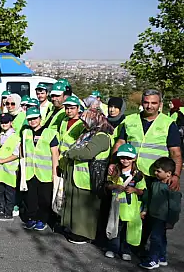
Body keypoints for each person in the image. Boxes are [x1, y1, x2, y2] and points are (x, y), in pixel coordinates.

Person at [61, 108, 113, 244]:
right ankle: (74, 229)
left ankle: (83, 234)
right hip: (78, 175)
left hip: (89, 178)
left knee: (85, 208)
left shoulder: (102, 136)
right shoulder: (89, 133)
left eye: (86, 121)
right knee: (76, 205)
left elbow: (87, 153)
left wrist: (70, 153)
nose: (84, 124)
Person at [114, 89, 182, 191]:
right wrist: (113, 163)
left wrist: (176, 175)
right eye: (146, 102)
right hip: (132, 173)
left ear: (160, 104)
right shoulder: (129, 120)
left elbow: (175, 153)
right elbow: (120, 144)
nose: (149, 106)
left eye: (154, 103)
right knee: (131, 206)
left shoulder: (168, 123)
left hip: (157, 176)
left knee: (155, 206)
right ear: (142, 103)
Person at [139, 157, 181, 270]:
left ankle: (153, 259)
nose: (155, 173)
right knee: (160, 237)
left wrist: (171, 221)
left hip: (162, 218)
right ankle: (161, 257)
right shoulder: (155, 183)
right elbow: (149, 198)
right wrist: (145, 210)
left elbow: (175, 207)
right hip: (154, 215)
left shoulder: (171, 188)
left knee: (156, 238)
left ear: (168, 174)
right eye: (155, 170)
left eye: (158, 171)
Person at [104, 143, 145, 261]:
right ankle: (113, 248)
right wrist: (115, 186)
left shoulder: (137, 175)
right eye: (122, 157)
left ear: (134, 158)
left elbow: (142, 191)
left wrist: (134, 190)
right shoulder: (115, 171)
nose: (125, 160)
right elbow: (108, 185)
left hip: (131, 209)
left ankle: (125, 250)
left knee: (128, 231)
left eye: (128, 158)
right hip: (117, 207)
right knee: (114, 228)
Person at [21, 107, 59, 231]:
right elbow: (23, 151)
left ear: (40, 118)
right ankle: (31, 218)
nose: (33, 121)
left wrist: (55, 173)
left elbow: (55, 154)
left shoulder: (50, 133)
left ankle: (42, 220)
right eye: (30, 119)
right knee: (31, 197)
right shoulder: (26, 132)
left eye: (35, 118)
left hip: (45, 173)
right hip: (30, 172)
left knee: (44, 198)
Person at [0, 114, 21, 222]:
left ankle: (8, 213)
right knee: (0, 192)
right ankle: (0, 211)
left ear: (11, 123)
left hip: (10, 171)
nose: (4, 124)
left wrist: (0, 161)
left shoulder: (16, 137)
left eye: (6, 122)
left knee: (9, 193)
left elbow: (16, 154)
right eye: (2, 122)